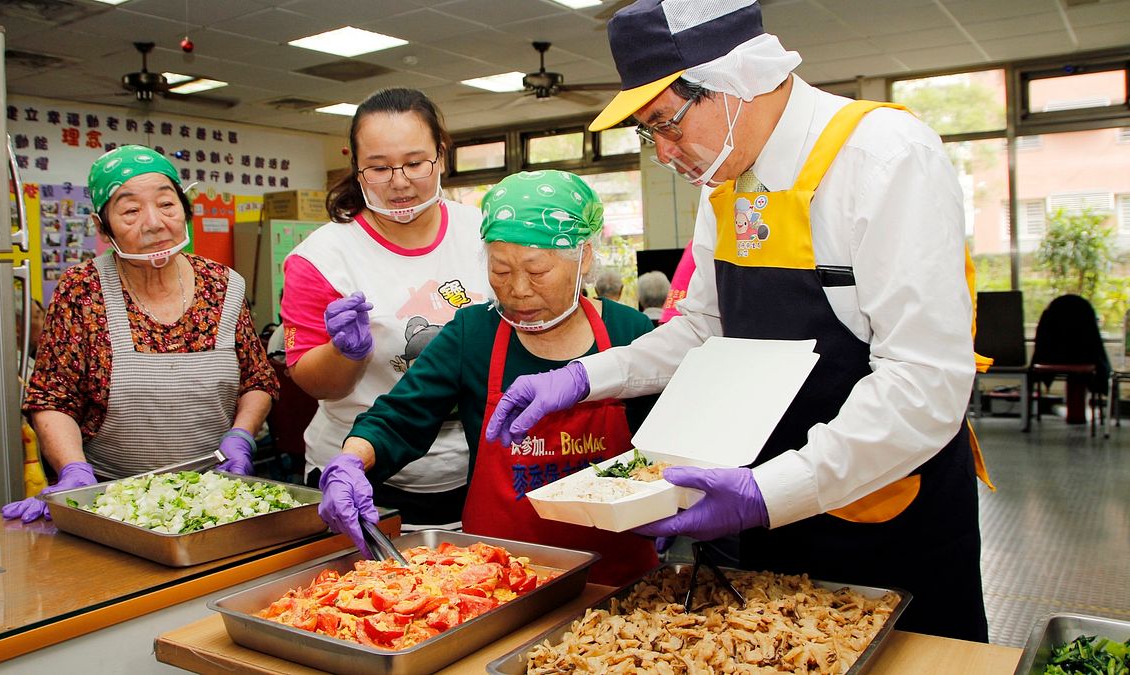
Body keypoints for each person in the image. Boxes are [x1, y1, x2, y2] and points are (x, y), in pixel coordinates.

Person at [484, 0, 991, 641]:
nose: (664, 153)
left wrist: (766, 493)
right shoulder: (725, 180)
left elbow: (926, 383)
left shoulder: (884, 157)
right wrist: (586, 376)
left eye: (666, 124)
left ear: (734, 78)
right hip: (763, 490)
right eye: (650, 133)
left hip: (883, 499)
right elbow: (705, 328)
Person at [316, 170, 659, 585]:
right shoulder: (472, 334)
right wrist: (351, 461)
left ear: (584, 256)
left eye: (537, 271)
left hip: (616, 575)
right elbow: (399, 417)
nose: (517, 290)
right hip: (499, 578)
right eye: (499, 270)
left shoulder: (631, 334)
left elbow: (672, 446)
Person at [3, 145, 279, 522]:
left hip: (219, 493)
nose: (153, 223)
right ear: (102, 227)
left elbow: (257, 379)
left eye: (167, 205)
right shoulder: (82, 290)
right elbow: (52, 397)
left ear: (185, 210)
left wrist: (242, 436)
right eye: (131, 211)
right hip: (111, 498)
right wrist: (73, 469)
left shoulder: (223, 285)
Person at [281, 88, 489, 531]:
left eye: (415, 163)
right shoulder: (321, 259)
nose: (399, 182)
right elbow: (317, 383)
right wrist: (345, 353)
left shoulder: (485, 233)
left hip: (476, 464)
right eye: (378, 167)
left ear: (442, 156)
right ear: (356, 168)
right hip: (359, 469)